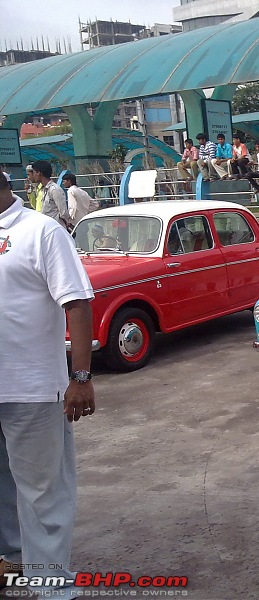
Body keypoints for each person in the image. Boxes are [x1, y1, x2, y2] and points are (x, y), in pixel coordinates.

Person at [0, 172, 95, 600]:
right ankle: (12, 559)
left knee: (42, 491)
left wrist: (80, 378)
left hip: (33, 388)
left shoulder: (41, 231)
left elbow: (76, 303)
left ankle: (51, 585)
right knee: (3, 486)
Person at [31, 160, 69, 229]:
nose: (33, 175)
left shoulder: (55, 190)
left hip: (56, 230)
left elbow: (63, 213)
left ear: (39, 173)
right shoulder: (44, 190)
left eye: (33, 172)